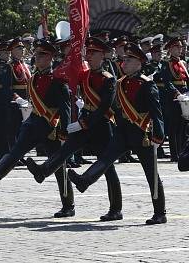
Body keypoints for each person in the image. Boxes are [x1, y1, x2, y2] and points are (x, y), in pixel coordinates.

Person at [68, 43, 166, 225]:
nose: (124, 62)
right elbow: (114, 108)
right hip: (122, 131)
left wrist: (158, 135)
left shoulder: (147, 85)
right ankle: (85, 182)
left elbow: (156, 113)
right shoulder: (120, 83)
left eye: (129, 60)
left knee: (151, 174)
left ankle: (160, 212)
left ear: (139, 63)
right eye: (124, 59)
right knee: (105, 159)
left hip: (142, 133)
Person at [25, 37, 122, 221]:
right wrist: (72, 55)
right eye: (89, 52)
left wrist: (83, 123)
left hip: (101, 125)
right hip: (85, 123)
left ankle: (116, 209)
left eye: (94, 53)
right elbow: (68, 75)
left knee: (108, 168)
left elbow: (103, 107)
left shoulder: (108, 80)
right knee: (65, 150)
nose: (90, 56)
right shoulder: (84, 75)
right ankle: (43, 171)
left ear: (102, 56)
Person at [0, 39, 74, 218]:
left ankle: (68, 205)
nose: (37, 57)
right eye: (36, 54)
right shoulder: (33, 77)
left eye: (41, 55)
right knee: (15, 153)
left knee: (59, 166)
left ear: (50, 58)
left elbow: (65, 108)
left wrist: (65, 130)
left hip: (51, 125)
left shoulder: (58, 80)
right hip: (33, 122)